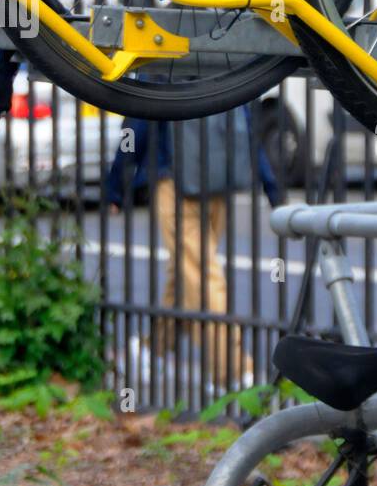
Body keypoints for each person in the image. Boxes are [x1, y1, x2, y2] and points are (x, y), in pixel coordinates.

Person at [107, 105, 279, 393]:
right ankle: (153, 350)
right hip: (217, 178)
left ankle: (232, 370)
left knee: (199, 275)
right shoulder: (228, 60)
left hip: (175, 180)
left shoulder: (162, 62)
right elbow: (248, 127)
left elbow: (136, 122)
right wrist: (272, 188)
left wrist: (115, 185)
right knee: (186, 271)